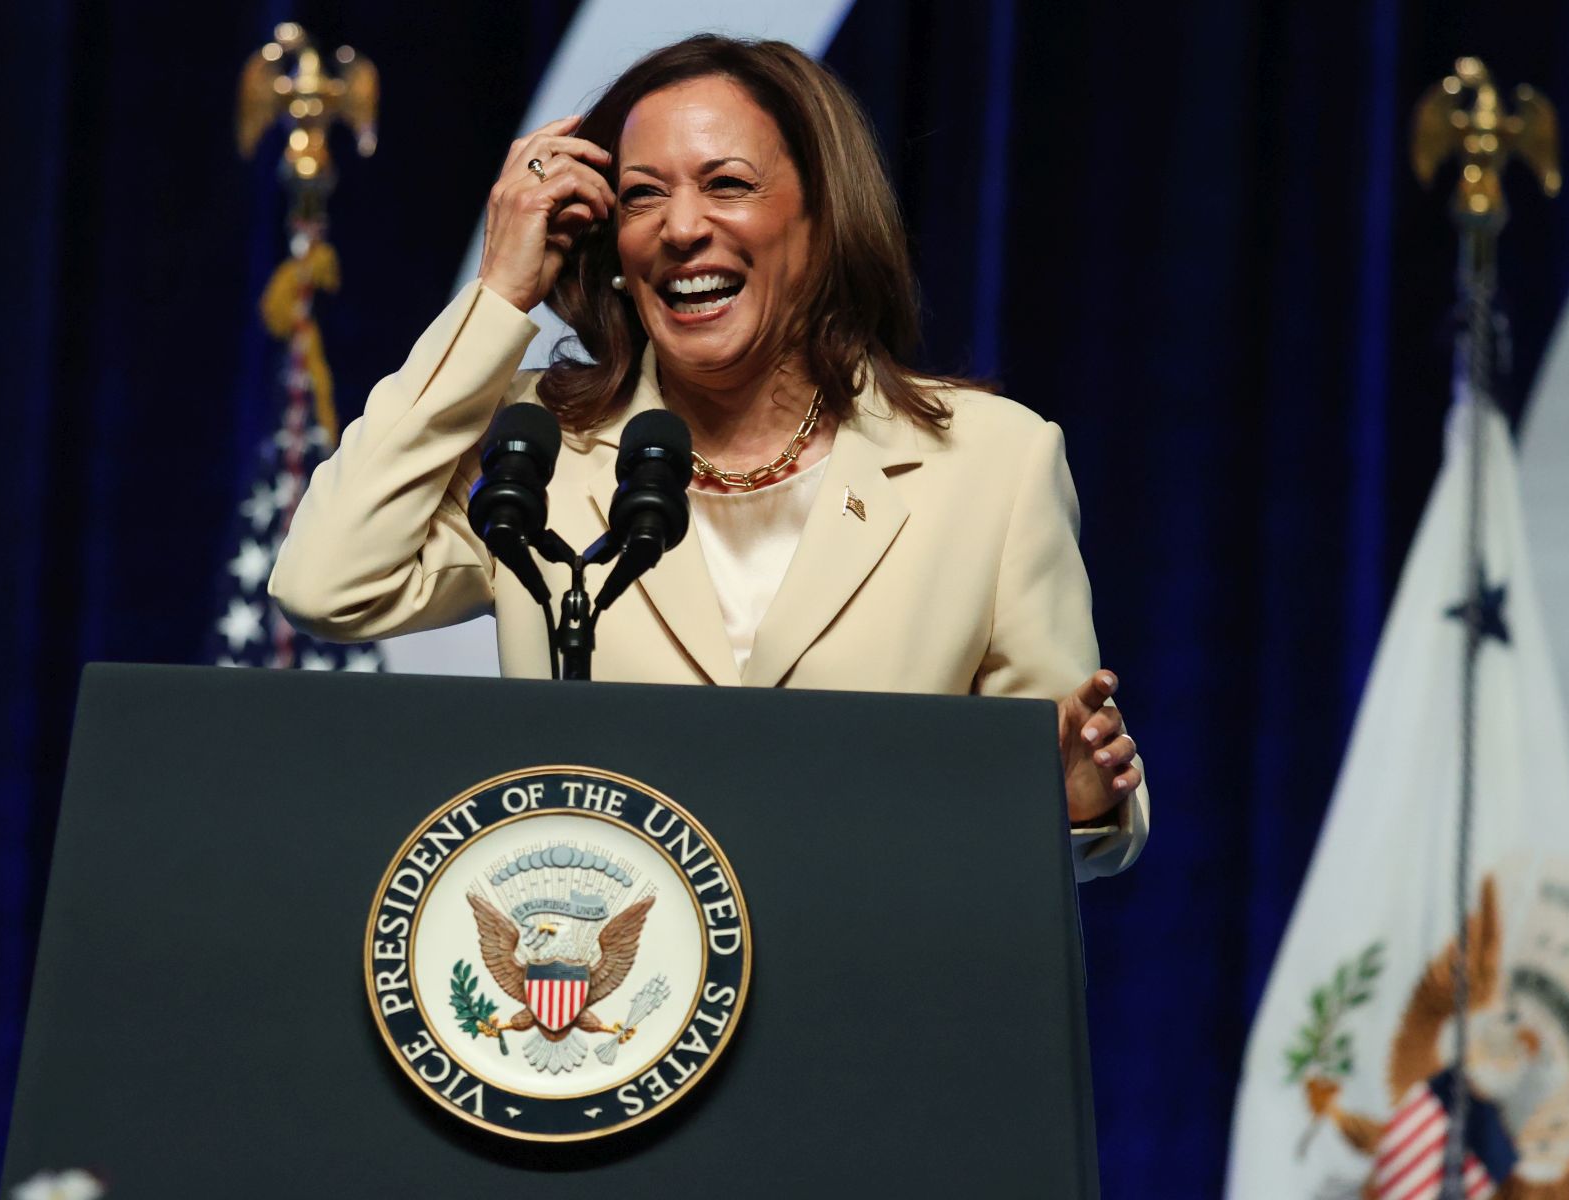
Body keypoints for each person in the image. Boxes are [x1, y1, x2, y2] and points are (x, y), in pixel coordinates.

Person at [269, 35, 1147, 878]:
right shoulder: (540, 446)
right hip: (611, 1006)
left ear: (822, 218)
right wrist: (500, 294)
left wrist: (1074, 803)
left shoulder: (991, 462)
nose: (680, 228)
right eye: (644, 196)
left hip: (871, 999)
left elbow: (1066, 791)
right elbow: (329, 582)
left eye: (727, 183)